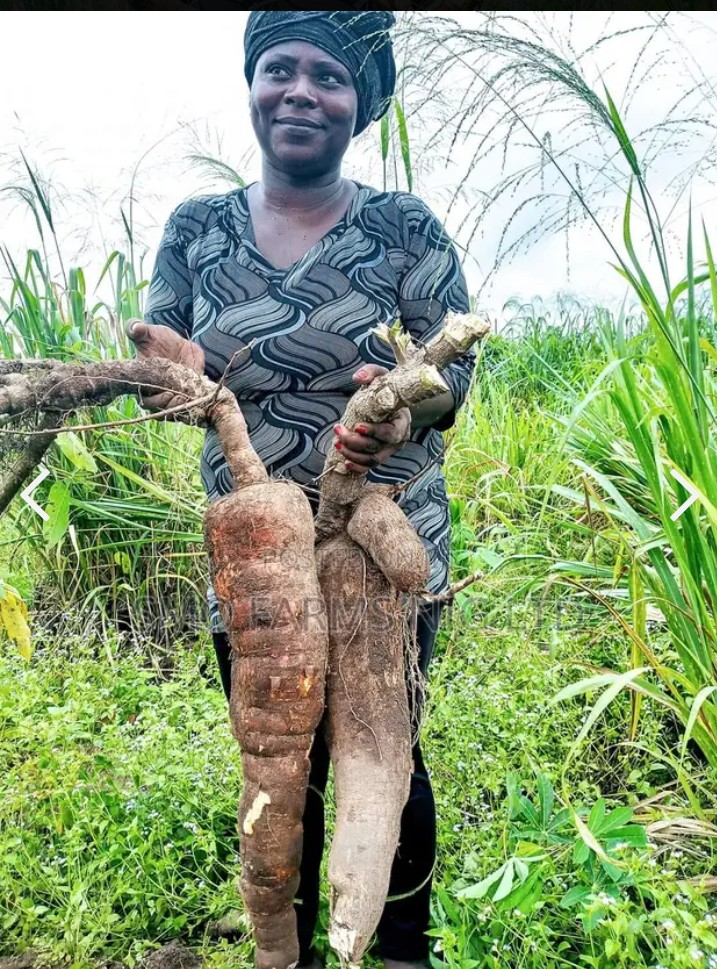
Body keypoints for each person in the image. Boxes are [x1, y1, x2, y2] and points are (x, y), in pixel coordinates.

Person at [127, 11, 476, 969]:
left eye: (327, 76)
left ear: (360, 104)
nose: (298, 91)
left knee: (384, 752)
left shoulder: (404, 226)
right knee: (280, 754)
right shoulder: (196, 228)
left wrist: (405, 405)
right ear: (250, 84)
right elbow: (165, 362)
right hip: (254, 550)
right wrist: (171, 375)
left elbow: (454, 373)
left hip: (383, 538)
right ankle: (296, 950)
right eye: (277, 68)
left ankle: (397, 948)